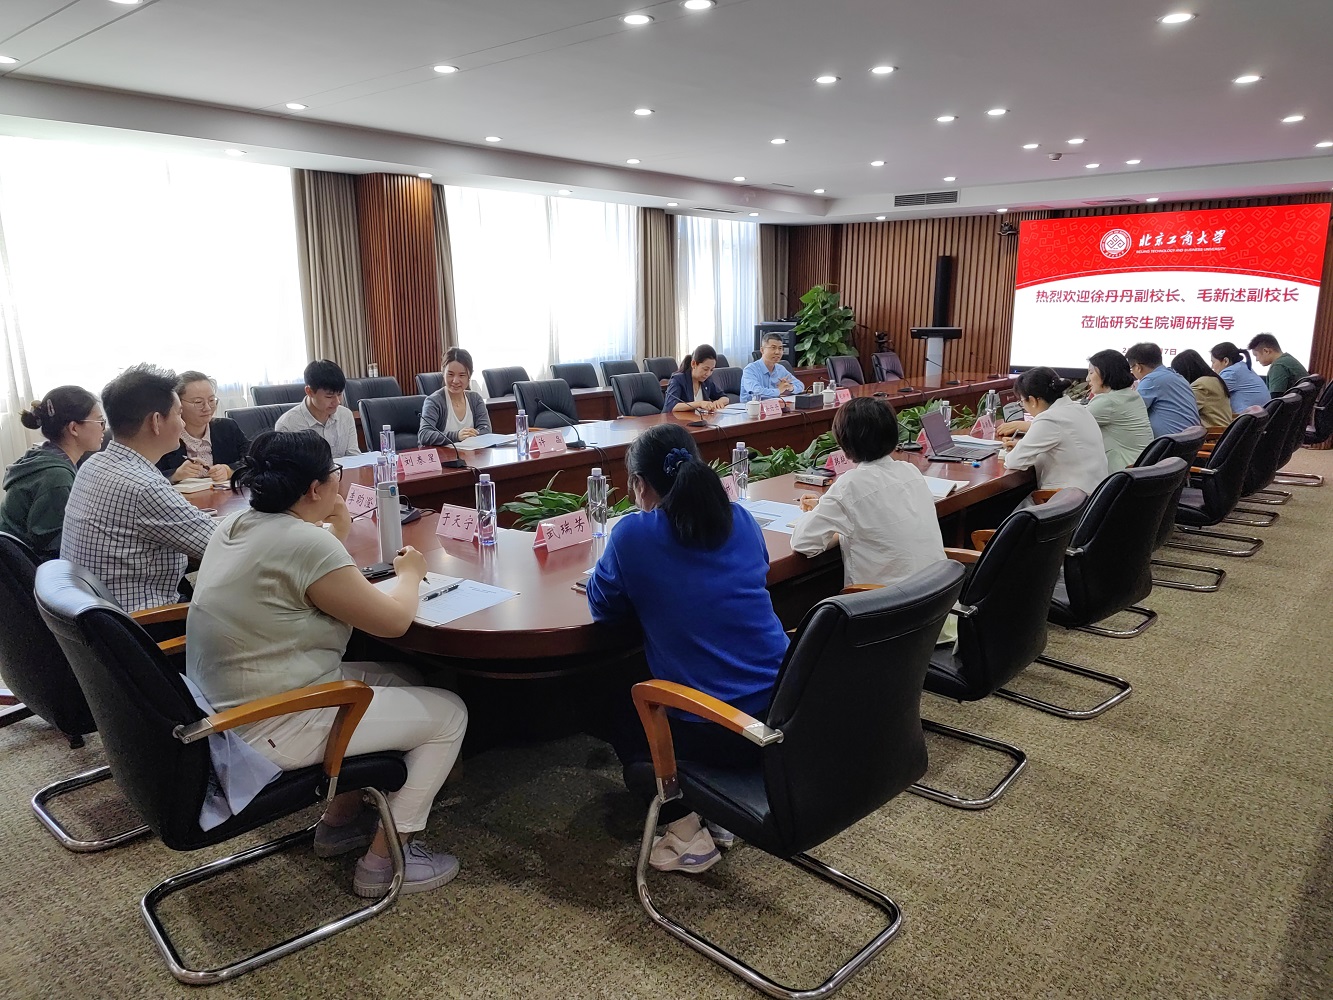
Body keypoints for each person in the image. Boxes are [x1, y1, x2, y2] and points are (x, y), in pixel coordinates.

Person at [187, 430, 468, 899]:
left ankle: (339, 821)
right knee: (451, 714)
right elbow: (394, 621)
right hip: (272, 723)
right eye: (334, 473)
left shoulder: (237, 524)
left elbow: (302, 566)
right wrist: (410, 575)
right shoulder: (304, 544)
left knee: (404, 677)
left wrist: (335, 526)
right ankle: (385, 862)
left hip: (231, 706)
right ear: (315, 488)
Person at [586, 424, 788, 875]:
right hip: (784, 712)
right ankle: (717, 810)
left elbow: (603, 607)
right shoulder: (741, 519)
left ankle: (684, 830)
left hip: (720, 733)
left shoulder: (634, 535)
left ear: (639, 485)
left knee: (609, 694)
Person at [790, 397, 956, 643]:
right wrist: (835, 514)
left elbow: (803, 543)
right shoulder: (909, 471)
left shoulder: (850, 485)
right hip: (936, 613)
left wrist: (824, 518)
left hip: (891, 625)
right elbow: (884, 518)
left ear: (844, 441)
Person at [60, 364, 215, 612]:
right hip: (147, 621)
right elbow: (221, 545)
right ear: (156, 421)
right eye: (178, 414)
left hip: (99, 617)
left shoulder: (94, 464)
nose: (183, 424)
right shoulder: (144, 486)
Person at [0, 387, 104, 559]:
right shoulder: (56, 477)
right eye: (100, 421)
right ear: (74, 428)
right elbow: (54, 549)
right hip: (24, 567)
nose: (103, 429)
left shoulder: (44, 455)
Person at [997, 367, 1109, 496]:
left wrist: (1019, 449)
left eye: (1022, 402)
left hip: (1068, 500)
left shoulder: (1049, 419)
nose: (1024, 407)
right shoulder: (1078, 409)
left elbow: (1014, 461)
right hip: (1094, 496)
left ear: (1032, 401)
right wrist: (1024, 446)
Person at [156, 371, 248, 484]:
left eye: (211, 400)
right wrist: (175, 475)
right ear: (178, 404)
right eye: (198, 402)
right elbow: (145, 475)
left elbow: (254, 459)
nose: (207, 408)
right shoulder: (164, 436)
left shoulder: (227, 428)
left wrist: (230, 470)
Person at [273, 359, 362, 457]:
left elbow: (354, 456)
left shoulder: (345, 415)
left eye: (340, 394)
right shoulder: (287, 425)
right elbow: (286, 466)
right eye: (329, 396)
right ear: (309, 392)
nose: (337, 402)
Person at [1084, 350, 1154, 472]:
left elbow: (1071, 425)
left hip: (1122, 473)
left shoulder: (1107, 401)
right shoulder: (1131, 395)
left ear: (1106, 373)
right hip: (1141, 468)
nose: (1087, 379)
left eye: (1091, 372)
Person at [1124, 342, 1202, 436]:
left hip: (1170, 441)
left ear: (1138, 367)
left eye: (1131, 369)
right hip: (1190, 439)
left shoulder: (1151, 380)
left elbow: (1129, 411)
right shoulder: (1177, 376)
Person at [419, 347, 492, 446]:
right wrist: (457, 436)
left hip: (472, 454)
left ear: (469, 376)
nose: (455, 381)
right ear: (443, 373)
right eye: (450, 374)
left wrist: (470, 435)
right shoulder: (434, 401)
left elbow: (486, 430)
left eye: (462, 375)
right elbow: (424, 435)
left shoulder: (475, 399)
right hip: (444, 455)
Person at [1170, 349, 1233, 428]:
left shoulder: (1201, 385)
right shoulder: (1213, 380)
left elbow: (1182, 409)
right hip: (1221, 431)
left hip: (1213, 433)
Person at [662, 345, 728, 414]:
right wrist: (699, 403)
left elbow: (725, 397)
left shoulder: (706, 381)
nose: (708, 374)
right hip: (676, 420)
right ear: (693, 364)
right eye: (705, 369)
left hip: (699, 419)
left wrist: (719, 402)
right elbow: (671, 406)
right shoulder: (678, 379)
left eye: (711, 370)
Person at [741, 332, 805, 400]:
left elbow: (800, 386)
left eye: (780, 348)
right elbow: (756, 392)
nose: (777, 352)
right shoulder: (750, 370)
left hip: (774, 405)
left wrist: (790, 387)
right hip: (751, 406)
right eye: (773, 348)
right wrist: (778, 391)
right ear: (762, 350)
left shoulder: (780, 369)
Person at [1210, 342, 1270, 412]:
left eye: (1213, 362)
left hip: (1246, 416)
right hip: (1259, 415)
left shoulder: (1231, 373)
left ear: (1226, 361)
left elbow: (1209, 393)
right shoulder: (1241, 367)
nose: (1212, 367)